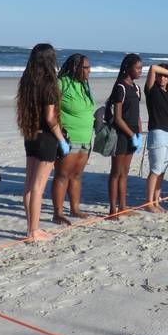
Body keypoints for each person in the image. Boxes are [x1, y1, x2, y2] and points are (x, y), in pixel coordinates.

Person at [16, 44, 70, 238]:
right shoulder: (48, 82)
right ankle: (34, 230)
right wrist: (61, 138)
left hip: (31, 135)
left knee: (29, 184)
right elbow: (50, 117)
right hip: (46, 137)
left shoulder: (27, 80)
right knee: (38, 186)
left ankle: (31, 227)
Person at [51, 54, 95, 225]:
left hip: (85, 137)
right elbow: (51, 110)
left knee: (77, 175)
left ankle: (75, 208)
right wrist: (60, 136)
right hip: (69, 137)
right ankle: (58, 212)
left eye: (89, 67)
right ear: (76, 68)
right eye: (86, 68)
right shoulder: (61, 83)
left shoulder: (84, 84)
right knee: (62, 175)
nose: (89, 71)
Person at [107, 54, 144, 216]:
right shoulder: (120, 87)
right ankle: (113, 209)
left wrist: (139, 133)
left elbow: (137, 115)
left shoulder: (136, 88)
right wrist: (131, 135)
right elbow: (118, 118)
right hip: (121, 134)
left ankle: (123, 206)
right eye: (138, 68)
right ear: (128, 68)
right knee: (116, 171)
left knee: (125, 172)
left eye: (142, 68)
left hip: (133, 133)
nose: (140, 71)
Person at [144, 63, 168, 212]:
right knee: (155, 169)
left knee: (162, 170)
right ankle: (148, 203)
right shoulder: (151, 90)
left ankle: (156, 201)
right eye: (161, 75)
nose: (163, 78)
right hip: (157, 133)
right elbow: (153, 67)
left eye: (166, 76)